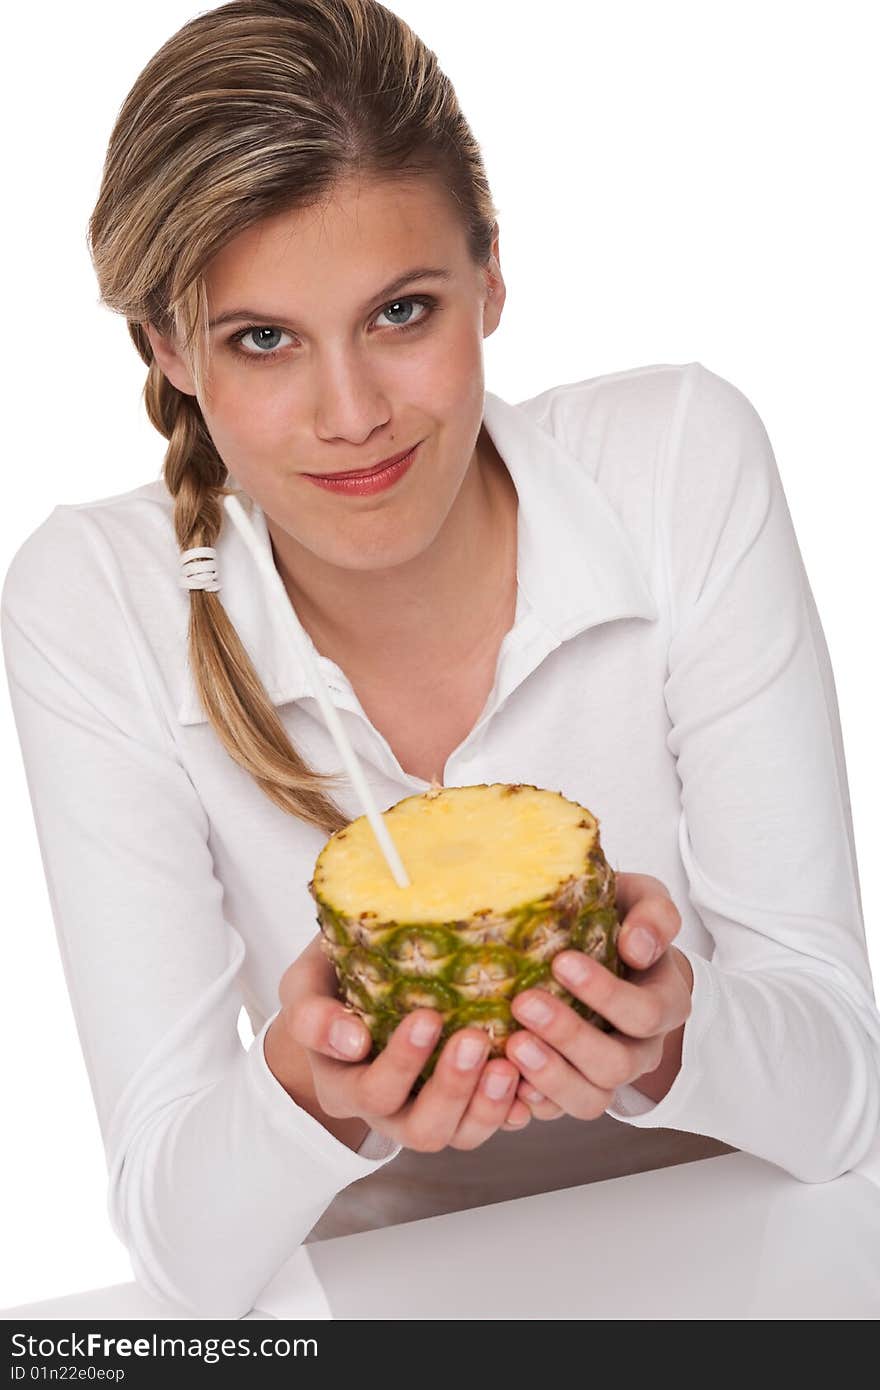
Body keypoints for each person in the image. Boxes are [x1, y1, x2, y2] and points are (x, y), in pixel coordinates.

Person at [2, 0, 878, 1321]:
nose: (350, 414)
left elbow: (844, 1098)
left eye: (402, 311)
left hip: (759, 1279)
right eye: (262, 339)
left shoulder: (680, 463)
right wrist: (307, 1084)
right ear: (169, 352)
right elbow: (181, 1260)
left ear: (492, 279)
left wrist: (669, 1037)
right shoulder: (94, 602)